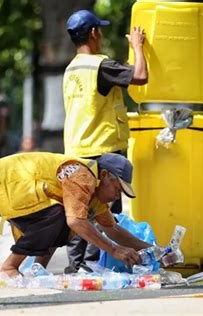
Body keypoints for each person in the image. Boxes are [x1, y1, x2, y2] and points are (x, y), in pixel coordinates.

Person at [0, 152, 152, 277]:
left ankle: (37, 269)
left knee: (62, 224)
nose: (116, 196)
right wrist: (114, 249)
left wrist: (153, 250)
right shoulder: (83, 175)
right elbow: (76, 221)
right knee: (60, 216)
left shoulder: (96, 196)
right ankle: (9, 268)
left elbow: (113, 229)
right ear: (104, 175)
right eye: (117, 189)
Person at [62, 10, 148, 272]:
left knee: (79, 209)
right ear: (93, 33)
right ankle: (91, 267)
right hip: (102, 150)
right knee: (102, 212)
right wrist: (137, 47)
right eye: (99, 31)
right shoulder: (100, 66)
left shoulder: (71, 68)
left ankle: (75, 268)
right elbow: (141, 76)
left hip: (76, 149)